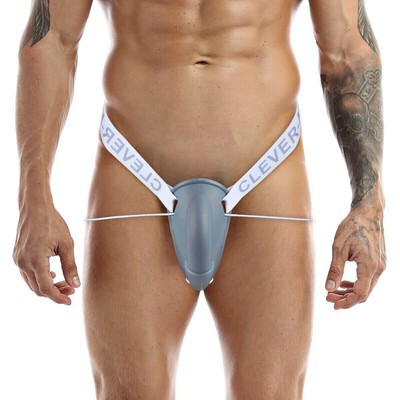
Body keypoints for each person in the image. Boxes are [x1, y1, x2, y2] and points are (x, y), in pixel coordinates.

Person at [12, 0, 386, 399]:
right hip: (136, 170)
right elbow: (53, 39)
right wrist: (33, 198)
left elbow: (346, 48)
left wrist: (369, 205)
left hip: (265, 172)